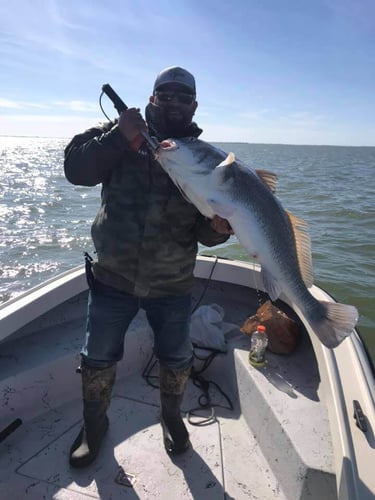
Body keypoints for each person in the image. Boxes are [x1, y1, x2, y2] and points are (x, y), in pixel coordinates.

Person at [64, 66, 233, 468]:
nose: (173, 102)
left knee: (177, 357)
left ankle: (172, 418)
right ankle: (94, 426)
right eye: (165, 94)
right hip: (113, 277)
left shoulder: (206, 159)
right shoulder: (115, 135)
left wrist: (219, 229)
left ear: (194, 105)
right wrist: (120, 136)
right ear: (152, 98)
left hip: (172, 283)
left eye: (182, 97)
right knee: (97, 357)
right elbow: (76, 170)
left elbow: (205, 232)